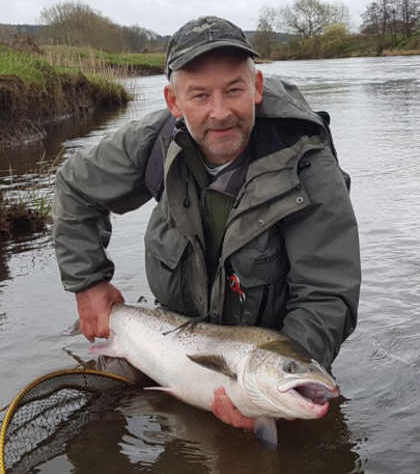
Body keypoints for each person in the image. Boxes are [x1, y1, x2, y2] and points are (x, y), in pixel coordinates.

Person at [54, 16, 361, 431]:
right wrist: (88, 282)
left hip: (270, 350)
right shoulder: (153, 143)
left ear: (256, 87)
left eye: (234, 89)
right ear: (173, 101)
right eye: (199, 95)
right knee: (102, 422)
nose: (220, 113)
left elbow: (327, 294)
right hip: (175, 337)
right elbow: (74, 186)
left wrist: (263, 390)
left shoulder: (307, 161)